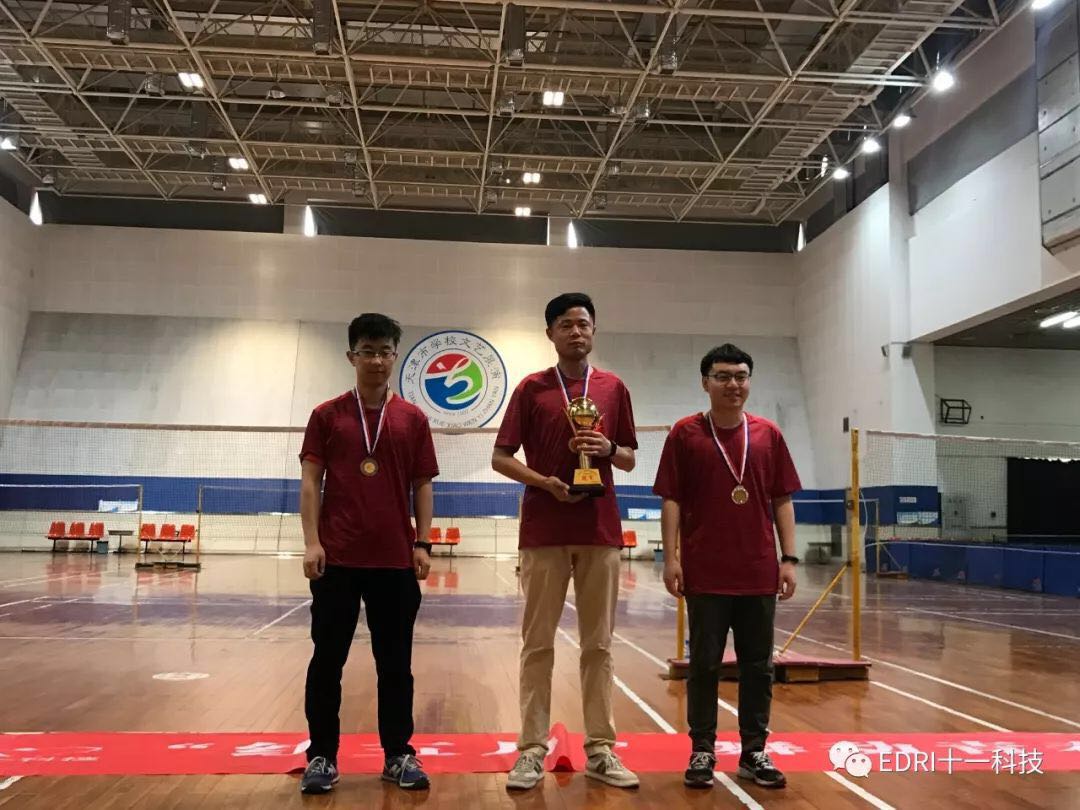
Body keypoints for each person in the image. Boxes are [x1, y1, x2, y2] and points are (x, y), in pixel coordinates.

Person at [492, 292, 640, 791]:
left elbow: (629, 459)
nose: (576, 332)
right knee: (537, 645)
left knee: (599, 645)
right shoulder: (531, 389)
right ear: (550, 334)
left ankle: (601, 749)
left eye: (583, 324)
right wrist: (545, 483)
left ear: (594, 330)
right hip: (544, 531)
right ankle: (532, 750)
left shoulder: (614, 388)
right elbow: (500, 457)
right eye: (565, 325)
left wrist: (608, 447)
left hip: (600, 532)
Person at [298, 313, 438, 794]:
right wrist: (312, 541)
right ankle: (321, 756)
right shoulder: (327, 415)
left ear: (395, 356)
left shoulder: (413, 419)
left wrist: (423, 541)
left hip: (395, 561)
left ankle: (398, 754)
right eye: (367, 352)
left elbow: (423, 484)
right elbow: (311, 482)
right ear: (351, 356)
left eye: (384, 352)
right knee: (326, 662)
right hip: (336, 560)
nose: (376, 360)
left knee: (395, 665)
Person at [653, 343, 801, 790]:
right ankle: (702, 749)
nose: (732, 384)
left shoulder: (769, 435)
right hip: (705, 572)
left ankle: (754, 751)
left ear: (749, 382)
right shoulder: (684, 434)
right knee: (704, 665)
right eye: (722, 376)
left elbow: (782, 499)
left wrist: (789, 559)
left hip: (758, 571)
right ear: (706, 383)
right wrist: (671, 557)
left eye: (740, 376)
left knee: (759, 667)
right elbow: (671, 499)